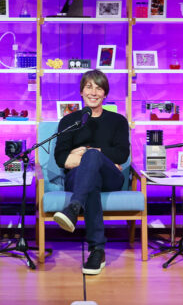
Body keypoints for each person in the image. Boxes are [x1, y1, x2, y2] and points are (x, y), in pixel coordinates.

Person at [52, 70, 130, 275]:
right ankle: (97, 250)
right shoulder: (70, 121)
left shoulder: (118, 120)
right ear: (81, 92)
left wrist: (90, 153)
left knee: (92, 156)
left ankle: (74, 207)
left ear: (105, 94)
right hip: (80, 179)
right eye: (89, 87)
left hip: (111, 177)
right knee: (90, 182)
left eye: (99, 88)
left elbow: (122, 154)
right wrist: (92, 159)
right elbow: (61, 158)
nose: (93, 92)